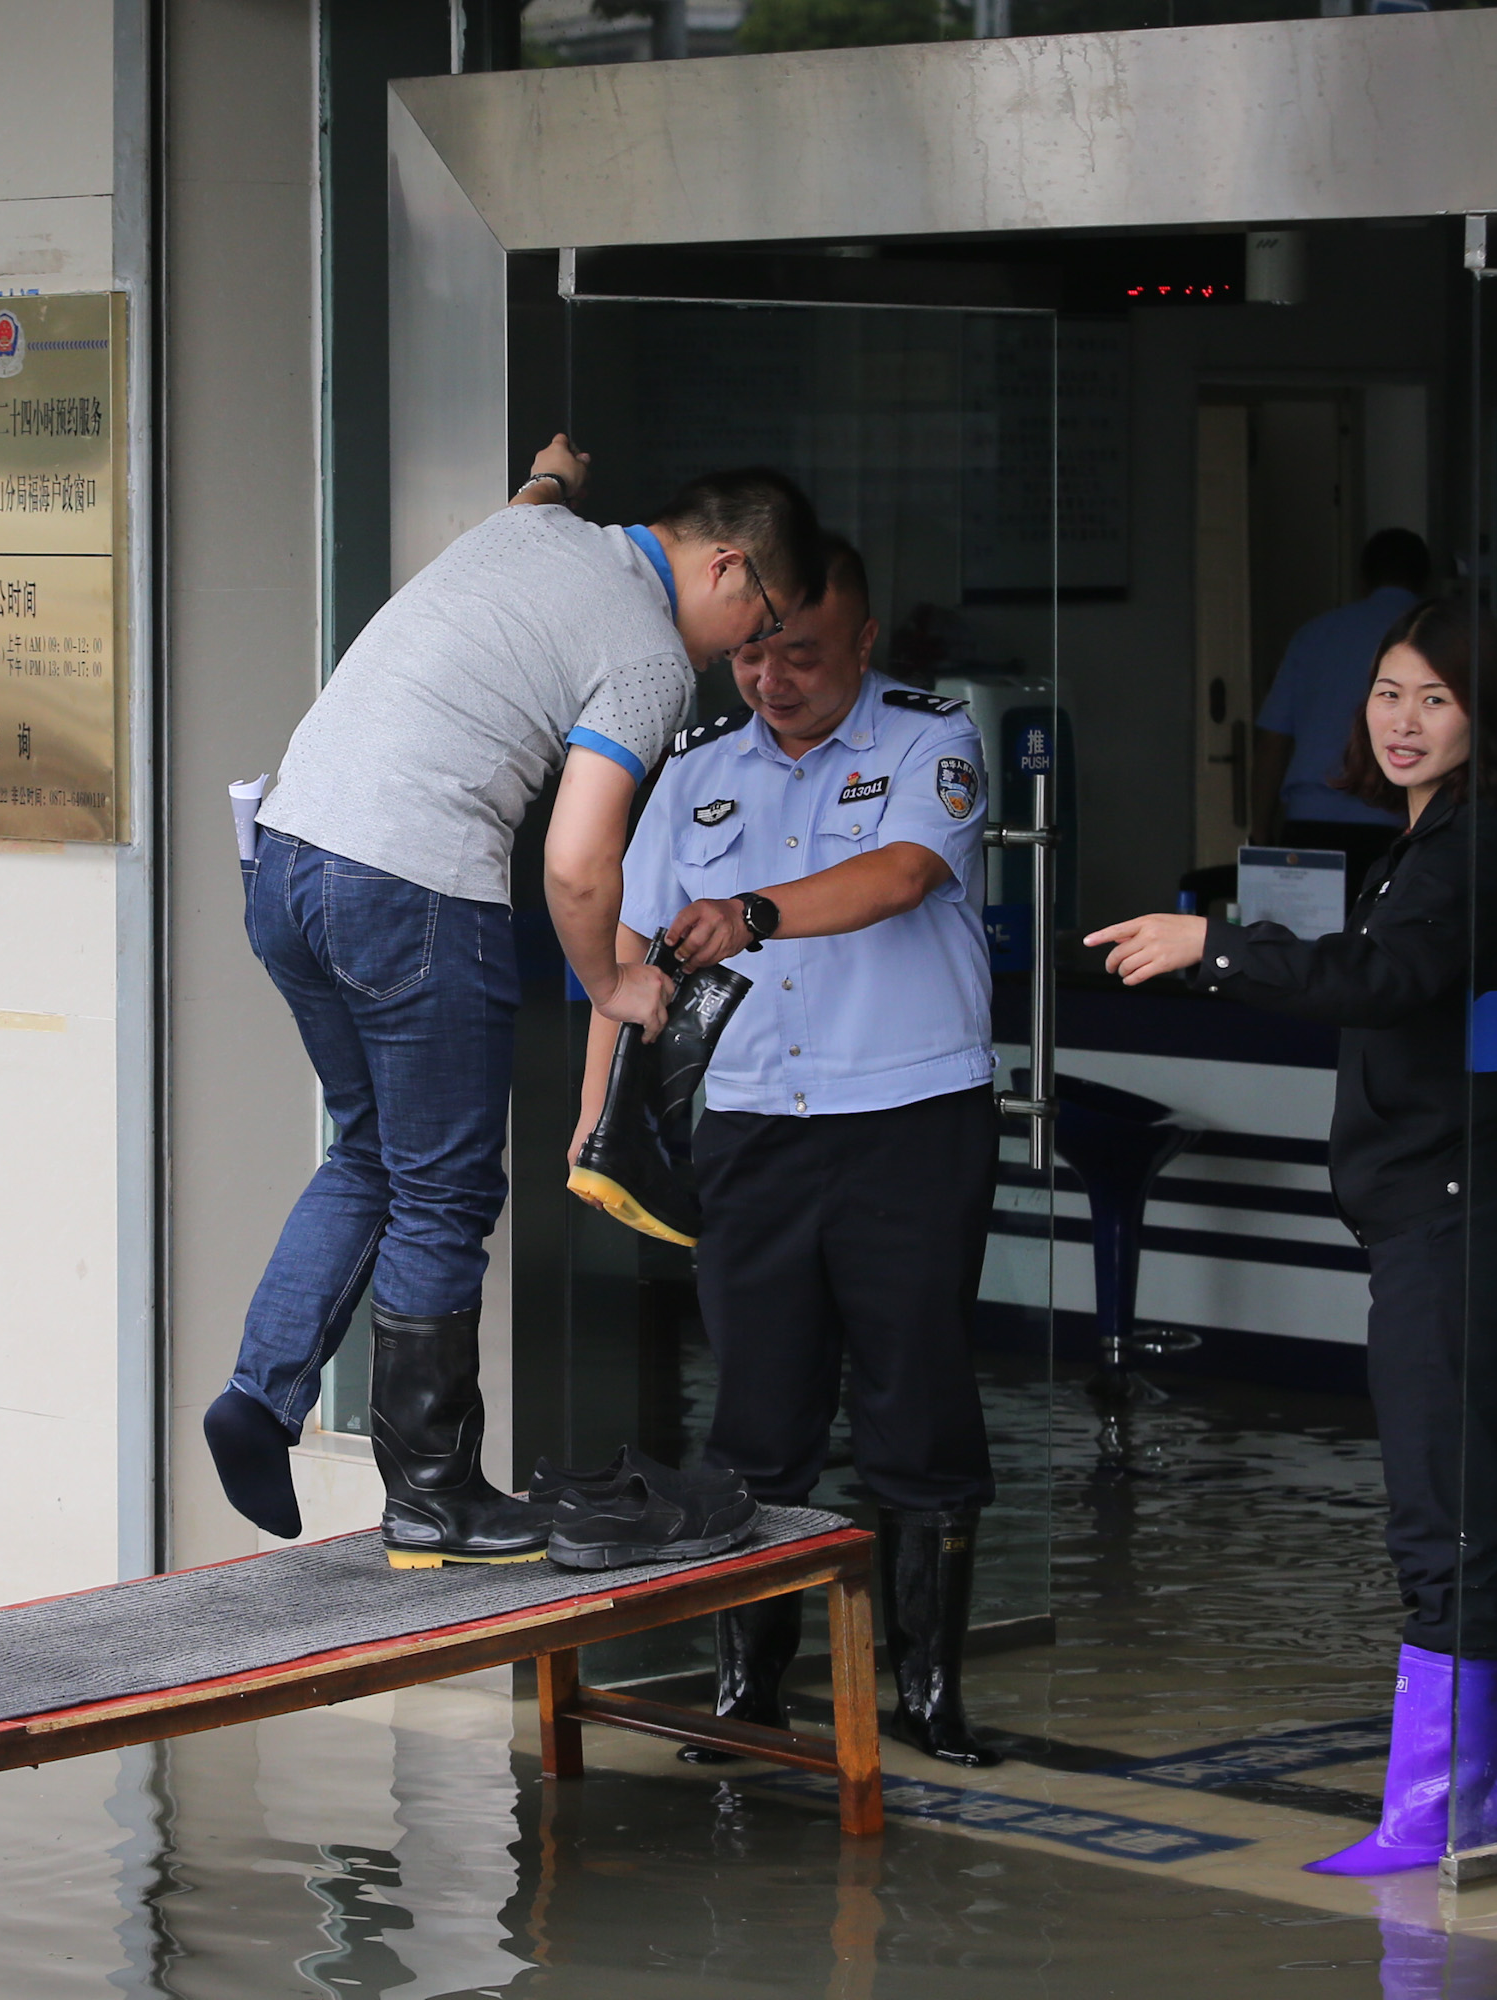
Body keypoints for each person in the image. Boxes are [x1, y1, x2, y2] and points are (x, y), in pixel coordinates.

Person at [211, 440, 827, 1567]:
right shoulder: (646, 656)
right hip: (409, 886)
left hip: (287, 860)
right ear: (729, 567)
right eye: (765, 618)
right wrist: (614, 982)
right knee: (444, 1190)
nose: (755, 648)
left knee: (371, 1152)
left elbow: (536, 490)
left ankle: (260, 1397)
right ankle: (435, 1494)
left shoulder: (532, 529)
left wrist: (557, 469)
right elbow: (579, 858)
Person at [1084, 596, 1497, 1873]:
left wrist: (1214, 946)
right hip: (1467, 1211)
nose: (1404, 721)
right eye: (1387, 692)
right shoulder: (1440, 838)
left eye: (1437, 698)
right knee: (1496, 1497)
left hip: (1455, 1221)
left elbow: (1379, 982)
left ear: (1488, 715)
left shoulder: (1468, 848)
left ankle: (1437, 1809)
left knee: (1446, 1511)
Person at [573, 538, 1004, 1766]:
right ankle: (747, 1693)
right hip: (755, 1125)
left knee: (916, 1402)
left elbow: (904, 873)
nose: (771, 676)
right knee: (758, 1416)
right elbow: (630, 962)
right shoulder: (694, 773)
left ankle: (929, 1691)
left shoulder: (932, 739)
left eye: (802, 652)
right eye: (753, 650)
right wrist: (596, 1119)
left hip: (910, 1118)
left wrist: (757, 910)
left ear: (865, 643)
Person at [1253, 529, 1431, 885]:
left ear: (1362, 579)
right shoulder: (1431, 639)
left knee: (1301, 940)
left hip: (1312, 825)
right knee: (1386, 938)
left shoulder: (1315, 634)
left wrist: (1259, 830)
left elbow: (1274, 741)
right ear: (1425, 578)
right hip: (1401, 824)